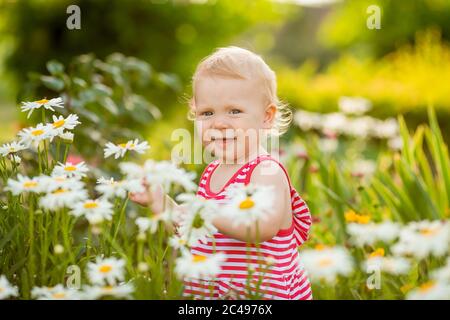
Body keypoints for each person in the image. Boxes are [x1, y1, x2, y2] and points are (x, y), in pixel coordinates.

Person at [130, 46, 312, 300]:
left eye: (234, 111)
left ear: (266, 117)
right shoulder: (212, 172)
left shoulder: (266, 171)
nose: (219, 123)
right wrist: (161, 202)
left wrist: (206, 212)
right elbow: (197, 229)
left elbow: (263, 225)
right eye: (207, 113)